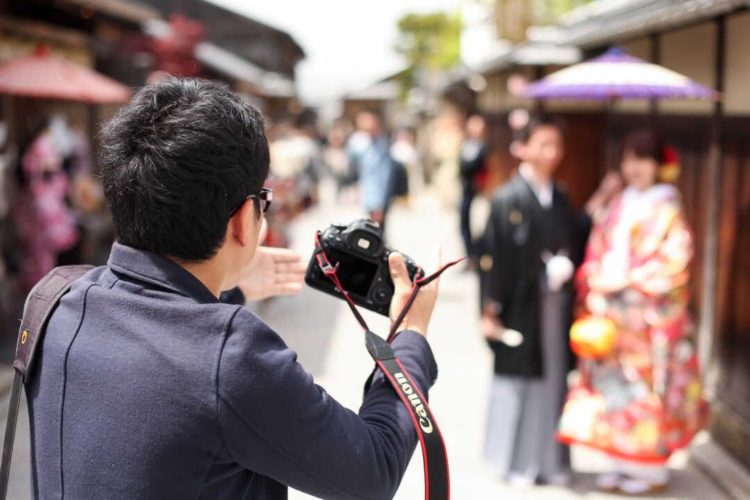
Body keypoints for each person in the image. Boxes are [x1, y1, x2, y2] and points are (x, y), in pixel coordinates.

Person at [26, 79, 441, 499]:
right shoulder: (232, 357)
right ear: (245, 219)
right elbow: (372, 469)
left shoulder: (53, 299)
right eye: (264, 200)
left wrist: (229, 280)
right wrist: (410, 336)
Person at [558, 130, 706, 495]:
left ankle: (650, 469)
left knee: (645, 392)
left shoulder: (668, 206)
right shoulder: (619, 202)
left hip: (645, 320)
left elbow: (675, 263)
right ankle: (620, 463)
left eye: (643, 159)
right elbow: (597, 248)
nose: (634, 167)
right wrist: (595, 279)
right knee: (612, 393)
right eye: (628, 159)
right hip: (613, 315)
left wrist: (626, 279)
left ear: (659, 165)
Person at [478, 117, 618, 487]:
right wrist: (489, 308)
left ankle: (549, 461)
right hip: (519, 305)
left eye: (556, 145)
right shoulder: (508, 197)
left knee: (554, 379)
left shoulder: (558, 194)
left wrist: (600, 201)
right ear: (521, 147)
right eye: (543, 144)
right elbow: (492, 256)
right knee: (518, 379)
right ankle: (516, 462)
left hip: (553, 306)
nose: (551, 152)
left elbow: (573, 233)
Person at [348, 110, 395, 229]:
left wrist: (378, 204)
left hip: (378, 197)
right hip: (367, 195)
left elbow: (382, 176)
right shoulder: (360, 142)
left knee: (376, 232)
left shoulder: (382, 145)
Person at [458, 115, 488, 263]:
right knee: (463, 224)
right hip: (465, 190)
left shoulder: (483, 147)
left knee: (477, 224)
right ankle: (469, 255)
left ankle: (476, 255)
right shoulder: (466, 145)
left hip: (478, 191)